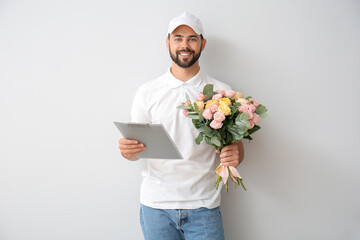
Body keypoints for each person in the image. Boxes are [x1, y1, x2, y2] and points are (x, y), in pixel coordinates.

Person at [118, 12, 244, 240]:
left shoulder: (223, 92)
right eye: (178, 38)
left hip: (204, 206)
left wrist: (236, 155)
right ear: (167, 42)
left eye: (192, 38)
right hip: (156, 207)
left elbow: (235, 151)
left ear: (202, 43)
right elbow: (134, 150)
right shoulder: (147, 92)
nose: (184, 45)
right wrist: (128, 151)